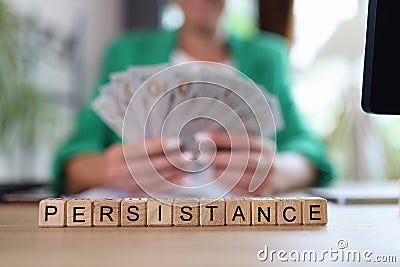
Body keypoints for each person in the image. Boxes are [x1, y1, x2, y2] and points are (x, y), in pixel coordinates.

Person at [53, 0, 333, 197]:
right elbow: (75, 156)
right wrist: (107, 171)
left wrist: (280, 171)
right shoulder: (126, 53)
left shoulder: (268, 58)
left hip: (242, 232)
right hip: (143, 232)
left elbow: (308, 149)